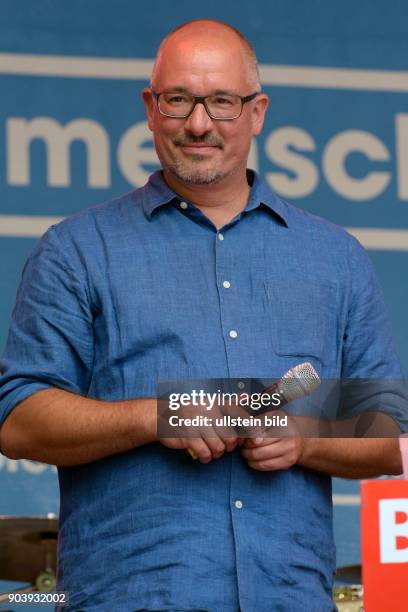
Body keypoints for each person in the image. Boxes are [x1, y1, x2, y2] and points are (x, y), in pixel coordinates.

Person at [0, 18, 404, 612]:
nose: (198, 124)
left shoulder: (335, 257)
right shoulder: (77, 249)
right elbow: (17, 421)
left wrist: (304, 438)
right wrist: (158, 416)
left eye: (221, 102)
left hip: (288, 599)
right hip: (128, 598)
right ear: (150, 107)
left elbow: (389, 432)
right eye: (179, 100)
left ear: (257, 112)